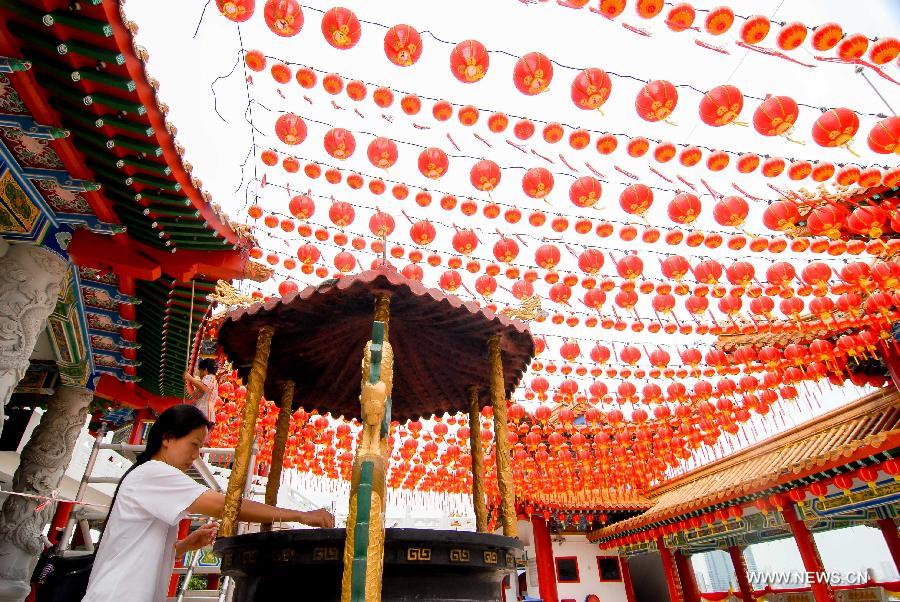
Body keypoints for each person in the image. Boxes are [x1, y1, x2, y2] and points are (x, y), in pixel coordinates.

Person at [82, 404, 334, 602]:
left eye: (200, 448)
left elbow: (137, 549)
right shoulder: (153, 473)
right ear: (167, 438)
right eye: (193, 445)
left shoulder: (149, 475)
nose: (195, 456)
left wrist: (184, 546)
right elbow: (227, 506)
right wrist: (299, 516)